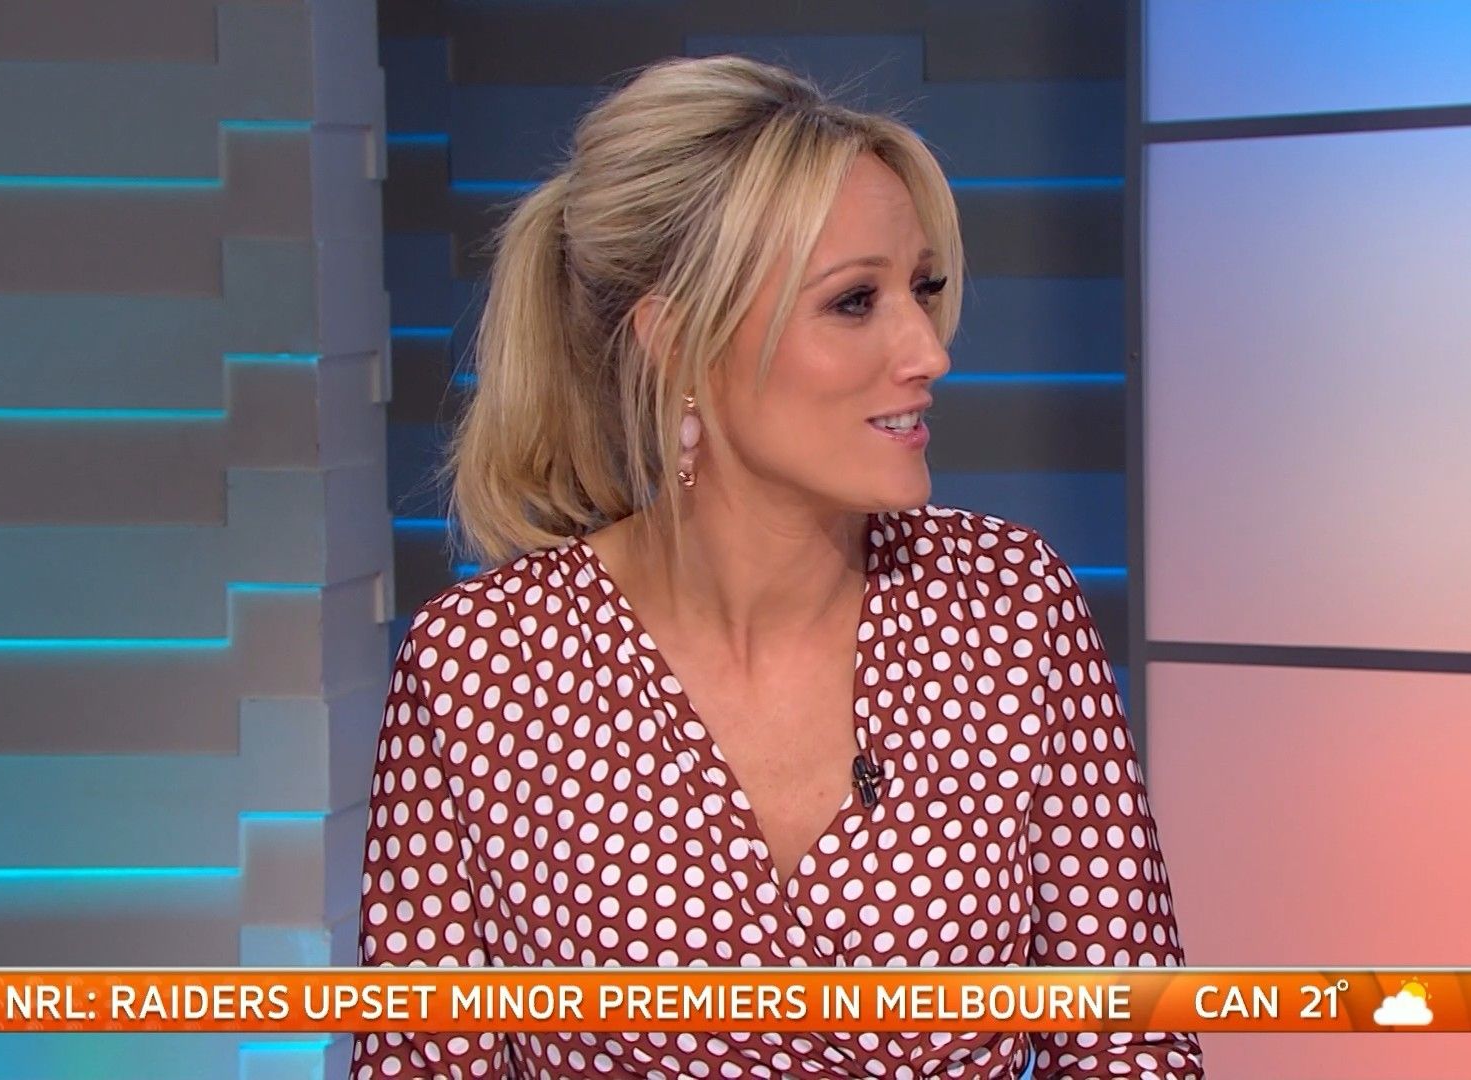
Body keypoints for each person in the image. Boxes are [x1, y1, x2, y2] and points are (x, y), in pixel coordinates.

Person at [352, 54, 1202, 1080]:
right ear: (678, 343)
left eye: (923, 290)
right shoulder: (479, 667)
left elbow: (1130, 1042)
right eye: (855, 301)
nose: (928, 351)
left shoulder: (1011, 608)